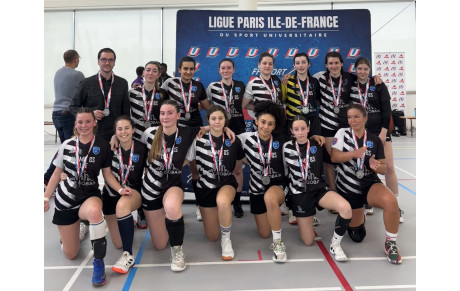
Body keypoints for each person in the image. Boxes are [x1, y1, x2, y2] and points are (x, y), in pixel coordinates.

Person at [139, 100, 234, 272]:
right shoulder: (149, 133)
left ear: (178, 115)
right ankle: (168, 224)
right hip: (150, 189)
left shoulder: (187, 132)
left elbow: (209, 128)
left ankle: (177, 251)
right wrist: (116, 136)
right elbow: (132, 147)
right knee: (160, 244)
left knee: (172, 206)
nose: (165, 116)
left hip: (172, 186)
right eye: (162, 113)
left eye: (169, 113)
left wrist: (226, 128)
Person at [44, 107, 129, 286]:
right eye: (80, 122)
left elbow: (107, 174)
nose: (84, 125)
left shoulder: (102, 145)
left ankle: (98, 263)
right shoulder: (66, 145)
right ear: (75, 124)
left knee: (95, 213)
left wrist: (120, 189)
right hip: (66, 199)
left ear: (94, 123)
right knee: (71, 254)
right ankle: (75, 232)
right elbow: (55, 174)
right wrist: (45, 197)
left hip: (89, 195)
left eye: (88, 121)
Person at [331, 104, 402, 265]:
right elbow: (334, 157)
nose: (352, 120)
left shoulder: (374, 139)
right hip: (348, 187)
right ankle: (359, 215)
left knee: (391, 202)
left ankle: (391, 243)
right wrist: (353, 154)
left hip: (369, 183)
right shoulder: (342, 133)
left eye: (356, 116)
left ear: (365, 118)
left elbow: (384, 169)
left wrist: (375, 165)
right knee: (357, 237)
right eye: (349, 117)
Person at [282, 115, 352, 261]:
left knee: (345, 208)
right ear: (291, 131)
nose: (300, 132)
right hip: (300, 194)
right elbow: (284, 173)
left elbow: (331, 161)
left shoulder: (317, 144)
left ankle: (335, 244)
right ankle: (308, 216)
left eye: (303, 128)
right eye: (296, 129)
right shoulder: (286, 147)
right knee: (308, 241)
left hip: (319, 190)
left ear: (308, 129)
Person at [186, 105, 244, 260]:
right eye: (213, 118)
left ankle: (226, 240)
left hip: (226, 183)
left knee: (223, 202)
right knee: (212, 236)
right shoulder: (198, 139)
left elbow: (246, 157)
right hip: (205, 187)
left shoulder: (233, 139)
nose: (217, 122)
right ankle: (219, 218)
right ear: (208, 120)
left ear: (226, 120)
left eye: (220, 118)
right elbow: (185, 160)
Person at [350, 57, 404, 223]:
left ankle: (395, 204)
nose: (363, 71)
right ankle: (367, 201)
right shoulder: (351, 84)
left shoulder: (378, 84)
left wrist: (383, 131)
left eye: (366, 69)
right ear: (355, 69)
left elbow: (386, 110)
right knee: (363, 166)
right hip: (360, 131)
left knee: (388, 166)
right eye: (360, 68)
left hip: (379, 131)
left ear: (370, 70)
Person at [161, 56, 212, 221]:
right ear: (179, 69)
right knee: (170, 167)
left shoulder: (198, 86)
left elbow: (207, 106)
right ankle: (167, 206)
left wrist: (220, 119)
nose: (188, 72)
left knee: (195, 169)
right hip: (175, 131)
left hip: (194, 130)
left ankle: (198, 206)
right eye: (185, 69)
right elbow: (160, 103)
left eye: (191, 69)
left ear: (194, 70)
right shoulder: (169, 84)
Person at [238, 101, 289, 263]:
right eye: (263, 122)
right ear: (256, 122)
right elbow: (223, 135)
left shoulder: (282, 141)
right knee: (264, 233)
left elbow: (303, 142)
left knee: (271, 198)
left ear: (275, 126)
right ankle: (272, 213)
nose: (266, 127)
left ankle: (278, 243)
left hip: (277, 185)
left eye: (270, 124)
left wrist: (316, 136)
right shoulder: (245, 139)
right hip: (256, 190)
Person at [45, 50, 86, 240]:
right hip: (69, 115)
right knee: (70, 153)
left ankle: (48, 179)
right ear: (75, 59)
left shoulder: (58, 72)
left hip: (56, 114)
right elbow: (83, 94)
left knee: (62, 151)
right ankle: (52, 180)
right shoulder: (78, 75)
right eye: (78, 59)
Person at [281, 52, 325, 224]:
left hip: (311, 124)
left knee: (311, 166)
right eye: (297, 63)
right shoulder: (287, 81)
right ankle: (292, 207)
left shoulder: (314, 82)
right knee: (294, 167)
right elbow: (282, 100)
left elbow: (319, 102)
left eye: (303, 62)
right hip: (293, 125)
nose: (300, 65)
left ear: (308, 64)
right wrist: (283, 85)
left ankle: (309, 208)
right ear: (294, 65)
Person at [102, 115, 148, 273]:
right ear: (115, 132)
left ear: (133, 129)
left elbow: (149, 171)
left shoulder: (142, 148)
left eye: (127, 128)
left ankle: (128, 255)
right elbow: (105, 174)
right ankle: (128, 221)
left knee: (123, 205)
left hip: (132, 192)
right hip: (110, 195)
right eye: (119, 129)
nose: (123, 132)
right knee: (118, 242)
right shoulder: (109, 148)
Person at [128, 61, 168, 228]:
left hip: (156, 140)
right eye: (148, 70)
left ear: (159, 74)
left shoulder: (163, 94)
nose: (151, 73)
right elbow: (124, 115)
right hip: (137, 140)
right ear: (143, 73)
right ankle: (140, 212)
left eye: (154, 71)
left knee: (155, 175)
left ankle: (160, 209)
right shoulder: (132, 93)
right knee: (136, 175)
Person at [206, 58, 246, 218]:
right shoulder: (212, 87)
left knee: (237, 168)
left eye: (229, 68)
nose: (226, 70)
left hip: (238, 130)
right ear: (219, 70)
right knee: (218, 165)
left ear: (234, 70)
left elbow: (244, 103)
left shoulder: (241, 85)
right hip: (219, 130)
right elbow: (206, 104)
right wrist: (215, 117)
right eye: (223, 68)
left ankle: (237, 201)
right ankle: (217, 200)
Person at [70, 47, 130, 143]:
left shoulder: (122, 83)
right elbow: (73, 107)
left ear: (114, 62)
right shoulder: (86, 83)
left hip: (115, 136)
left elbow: (126, 112)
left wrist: (122, 134)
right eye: (103, 60)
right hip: (92, 134)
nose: (107, 63)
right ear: (98, 62)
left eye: (110, 60)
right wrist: (90, 114)